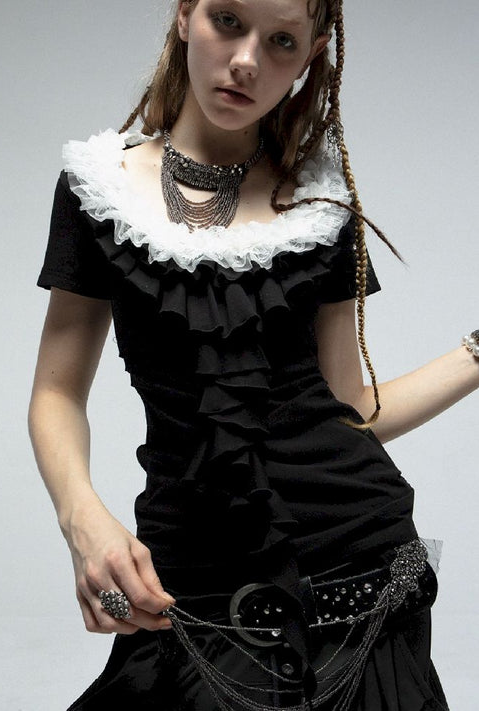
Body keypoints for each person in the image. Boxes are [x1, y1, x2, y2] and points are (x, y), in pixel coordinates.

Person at [28, 0, 478, 708]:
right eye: (228, 21)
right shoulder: (98, 190)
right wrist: (81, 517)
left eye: (281, 41)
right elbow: (56, 393)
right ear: (185, 15)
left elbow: (349, 409)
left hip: (355, 560)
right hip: (193, 570)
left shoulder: (322, 204)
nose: (246, 62)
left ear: (311, 55)